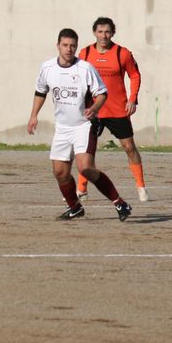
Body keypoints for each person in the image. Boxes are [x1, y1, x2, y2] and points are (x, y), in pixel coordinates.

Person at [27, 28, 132, 221]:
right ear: (58, 46)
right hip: (62, 127)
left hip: (84, 126)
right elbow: (41, 91)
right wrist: (34, 115)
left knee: (86, 168)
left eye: (72, 46)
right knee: (60, 172)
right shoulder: (47, 68)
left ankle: (119, 203)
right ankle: (74, 207)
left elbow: (102, 93)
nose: (69, 49)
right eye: (65, 45)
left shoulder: (85, 69)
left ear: (76, 47)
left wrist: (95, 108)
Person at [76, 17, 149, 202]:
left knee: (129, 147)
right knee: (87, 151)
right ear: (94, 33)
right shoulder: (85, 53)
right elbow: (77, 78)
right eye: (100, 32)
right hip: (93, 110)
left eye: (107, 32)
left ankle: (141, 187)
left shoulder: (122, 53)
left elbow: (135, 75)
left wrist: (132, 100)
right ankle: (81, 189)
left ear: (113, 33)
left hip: (117, 109)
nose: (104, 36)